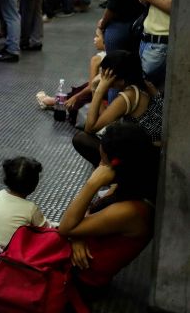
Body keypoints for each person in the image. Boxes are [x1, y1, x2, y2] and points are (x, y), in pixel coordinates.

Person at [60, 122, 158, 294]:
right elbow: (90, 211)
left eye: (102, 160)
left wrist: (92, 184)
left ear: (115, 163)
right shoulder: (133, 182)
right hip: (77, 255)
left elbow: (65, 227)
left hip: (82, 278)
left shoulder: (131, 210)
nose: (99, 165)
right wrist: (77, 235)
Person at [72, 50, 163, 168]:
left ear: (114, 76)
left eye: (105, 74)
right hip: (154, 151)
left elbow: (90, 128)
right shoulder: (146, 85)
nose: (102, 77)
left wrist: (100, 90)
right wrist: (94, 89)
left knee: (81, 139)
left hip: (145, 159)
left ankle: (117, 176)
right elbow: (106, 119)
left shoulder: (129, 96)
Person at [36, 27, 106, 117]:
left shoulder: (97, 59)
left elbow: (91, 87)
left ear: (105, 40)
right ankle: (57, 101)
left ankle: (57, 102)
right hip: (107, 93)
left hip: (99, 93)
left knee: (80, 96)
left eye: (97, 36)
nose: (94, 39)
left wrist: (75, 97)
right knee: (84, 87)